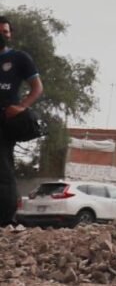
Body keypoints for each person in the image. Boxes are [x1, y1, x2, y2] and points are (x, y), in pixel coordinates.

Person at [0, 16, 44, 225]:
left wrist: (22, 106)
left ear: (10, 34)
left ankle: (5, 219)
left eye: (5, 31)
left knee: (3, 167)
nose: (2, 34)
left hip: (5, 118)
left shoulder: (18, 58)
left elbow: (37, 87)